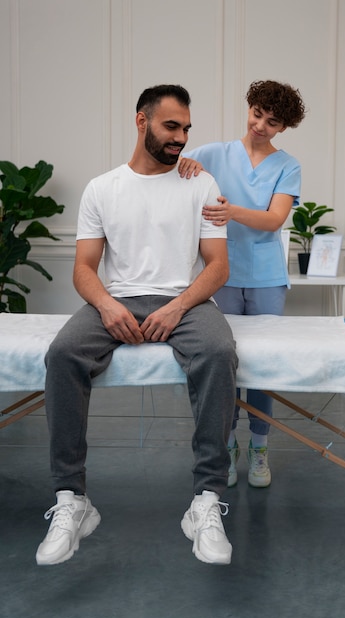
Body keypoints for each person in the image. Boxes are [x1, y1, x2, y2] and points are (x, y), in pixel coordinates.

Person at [36, 84, 238, 567]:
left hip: (183, 300)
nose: (181, 137)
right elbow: (85, 267)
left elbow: (217, 267)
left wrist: (177, 307)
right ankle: (72, 501)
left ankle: (206, 501)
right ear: (140, 121)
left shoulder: (201, 184)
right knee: (62, 354)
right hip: (119, 298)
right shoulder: (102, 188)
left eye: (187, 128)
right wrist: (106, 305)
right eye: (172, 126)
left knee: (217, 353)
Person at [180, 80, 305, 489]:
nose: (260, 126)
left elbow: (273, 220)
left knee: (263, 366)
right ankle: (227, 446)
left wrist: (231, 211)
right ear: (249, 108)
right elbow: (171, 167)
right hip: (222, 275)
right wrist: (188, 166)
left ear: (282, 127)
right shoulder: (213, 153)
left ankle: (259, 445)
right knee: (224, 365)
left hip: (267, 276)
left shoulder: (288, 166)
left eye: (272, 122)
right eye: (257, 114)